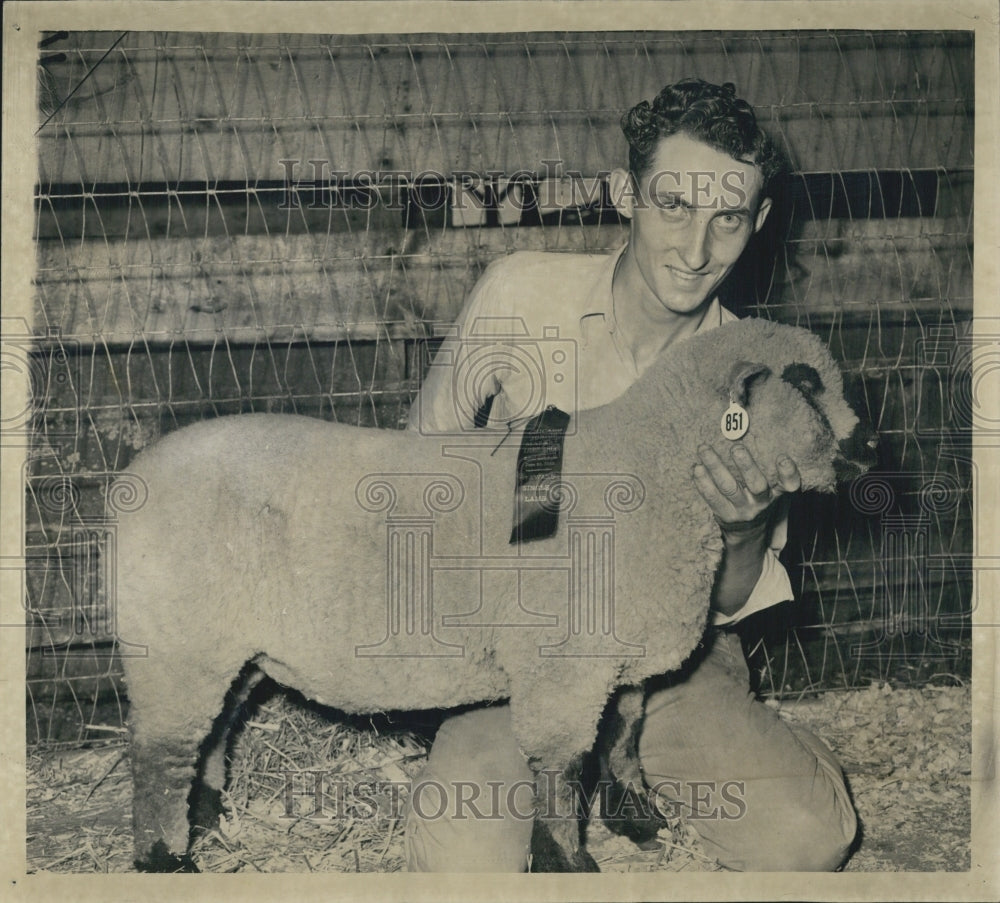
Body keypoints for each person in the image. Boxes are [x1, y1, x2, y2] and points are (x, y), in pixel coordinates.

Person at [404, 78, 858, 872]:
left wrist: (745, 527)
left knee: (809, 839)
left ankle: (754, 750)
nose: (694, 249)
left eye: (726, 219)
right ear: (627, 193)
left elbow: (729, 600)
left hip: (671, 661)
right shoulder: (520, 293)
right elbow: (418, 469)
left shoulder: (755, 377)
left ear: (758, 221)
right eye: (673, 205)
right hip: (523, 653)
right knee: (462, 857)